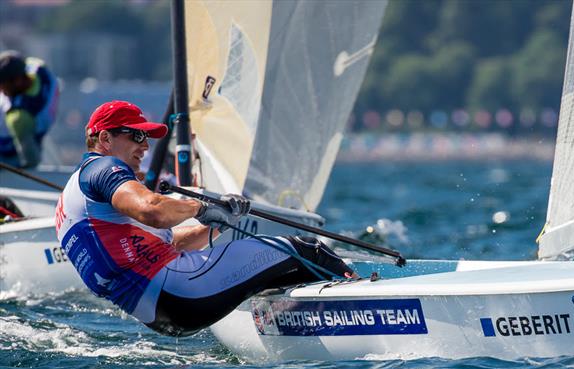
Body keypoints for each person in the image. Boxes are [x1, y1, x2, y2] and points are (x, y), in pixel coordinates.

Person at [55, 100, 355, 336]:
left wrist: (216, 222)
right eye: (136, 136)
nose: (145, 147)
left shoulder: (75, 195)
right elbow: (152, 209)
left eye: (146, 138)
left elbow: (170, 242)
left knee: (280, 272)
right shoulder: (103, 169)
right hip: (180, 291)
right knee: (308, 250)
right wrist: (201, 207)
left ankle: (302, 323)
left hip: (163, 315)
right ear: (105, 138)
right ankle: (363, 304)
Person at [0, 51, 58, 168]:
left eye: (2, 85)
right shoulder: (40, 68)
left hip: (7, 156)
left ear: (17, 80)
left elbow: (31, 161)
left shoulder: (18, 118)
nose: (1, 90)